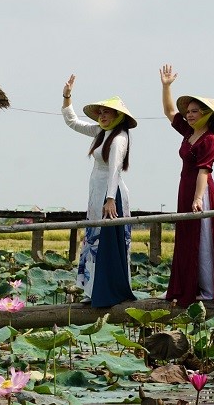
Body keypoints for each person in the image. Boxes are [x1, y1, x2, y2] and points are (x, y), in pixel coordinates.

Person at [61, 75, 137, 307]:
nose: (102, 117)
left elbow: (114, 169)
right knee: (94, 240)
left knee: (107, 242)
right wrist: (67, 97)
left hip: (110, 195)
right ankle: (93, 288)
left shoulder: (119, 138)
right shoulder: (100, 132)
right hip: (96, 194)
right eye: (100, 113)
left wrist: (111, 199)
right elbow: (73, 122)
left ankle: (109, 291)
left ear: (119, 116)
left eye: (107, 113)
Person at [160, 64, 214, 307]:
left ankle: (207, 288)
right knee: (186, 237)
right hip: (185, 188)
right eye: (188, 111)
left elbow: (204, 171)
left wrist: (198, 199)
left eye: (195, 111)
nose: (189, 115)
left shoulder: (209, 139)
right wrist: (166, 86)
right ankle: (188, 286)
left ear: (207, 114)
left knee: (202, 239)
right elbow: (169, 111)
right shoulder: (189, 132)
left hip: (202, 191)